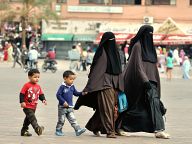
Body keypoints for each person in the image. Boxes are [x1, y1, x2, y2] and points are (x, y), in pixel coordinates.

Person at [115, 25, 170, 139]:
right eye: (148, 33)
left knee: (154, 103)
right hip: (137, 82)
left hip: (151, 81)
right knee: (131, 105)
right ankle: (119, 126)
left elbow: (153, 66)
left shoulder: (151, 48)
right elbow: (137, 65)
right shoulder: (137, 46)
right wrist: (145, 80)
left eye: (152, 33)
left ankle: (159, 130)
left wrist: (154, 80)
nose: (150, 35)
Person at [74, 32, 124, 138]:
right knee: (107, 108)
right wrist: (89, 87)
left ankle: (94, 126)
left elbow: (119, 72)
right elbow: (97, 71)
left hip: (114, 86)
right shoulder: (103, 54)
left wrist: (120, 86)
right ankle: (110, 131)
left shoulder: (116, 54)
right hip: (104, 85)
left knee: (107, 108)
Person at [55, 70, 86, 136]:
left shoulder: (72, 86)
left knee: (73, 119)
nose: (72, 81)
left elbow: (76, 93)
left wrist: (82, 93)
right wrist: (63, 102)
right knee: (61, 120)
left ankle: (78, 130)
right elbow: (58, 95)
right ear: (65, 78)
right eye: (70, 79)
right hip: (62, 107)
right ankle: (58, 130)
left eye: (73, 79)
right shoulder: (62, 87)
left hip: (70, 107)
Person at [19, 69, 47, 136]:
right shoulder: (26, 85)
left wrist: (43, 99)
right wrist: (22, 102)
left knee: (28, 119)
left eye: (38, 77)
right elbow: (21, 94)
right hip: (27, 106)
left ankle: (24, 130)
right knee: (32, 118)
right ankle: (37, 129)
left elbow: (40, 94)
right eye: (35, 77)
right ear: (29, 77)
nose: (37, 79)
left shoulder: (38, 86)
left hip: (34, 106)